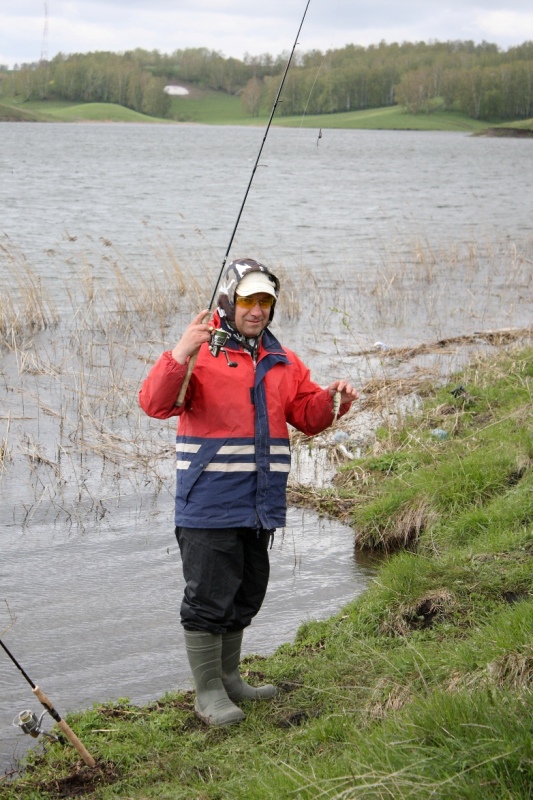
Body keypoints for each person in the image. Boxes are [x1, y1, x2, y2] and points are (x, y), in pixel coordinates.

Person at [138, 258, 358, 727]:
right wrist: (180, 352)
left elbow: (306, 416)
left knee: (246, 591)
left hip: (260, 502)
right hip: (208, 500)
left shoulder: (282, 360)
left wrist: (332, 401)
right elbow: (154, 403)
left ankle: (229, 679)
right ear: (228, 300)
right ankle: (207, 694)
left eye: (265, 301)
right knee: (208, 598)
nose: (257, 310)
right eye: (247, 300)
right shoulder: (201, 351)